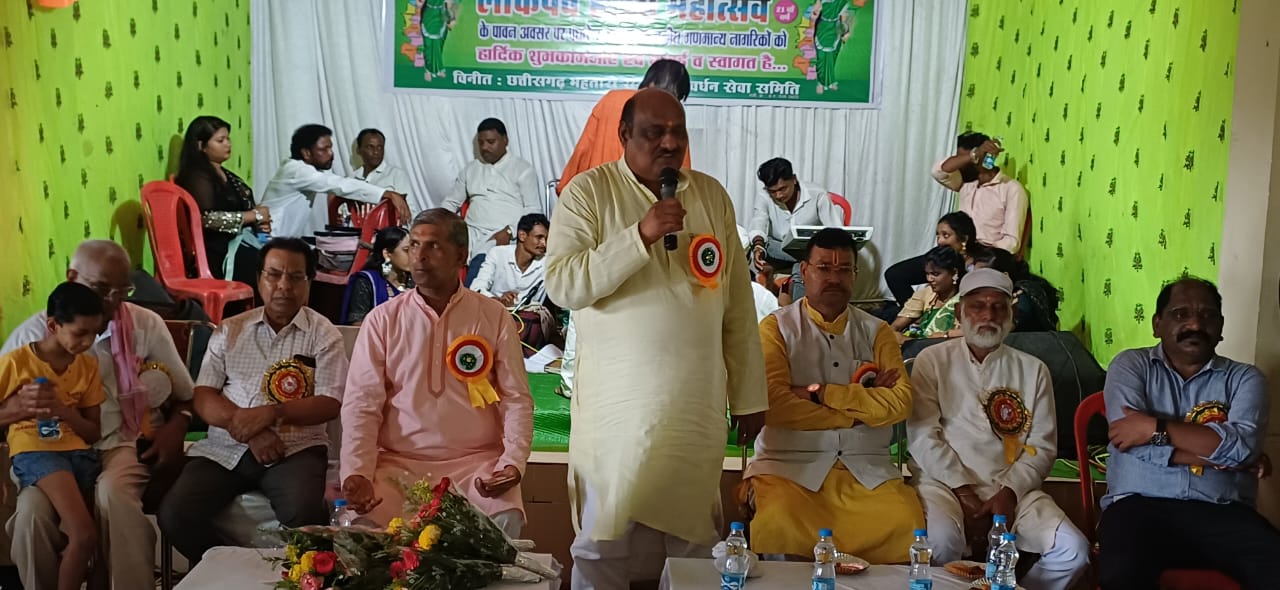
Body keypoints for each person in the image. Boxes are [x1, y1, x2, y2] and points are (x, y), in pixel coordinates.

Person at [546, 88, 768, 590]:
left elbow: (736, 307)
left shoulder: (710, 195)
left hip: (694, 406)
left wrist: (749, 396)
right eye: (654, 132)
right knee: (603, 541)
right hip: (617, 411)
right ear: (625, 134)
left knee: (694, 541)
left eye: (677, 132)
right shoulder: (588, 192)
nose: (670, 143)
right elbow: (563, 284)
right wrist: (639, 235)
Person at [0, 240, 195, 590]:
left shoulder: (144, 324)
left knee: (113, 495)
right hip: (50, 450)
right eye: (102, 288)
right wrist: (18, 409)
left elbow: (186, 395)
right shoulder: (30, 338)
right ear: (71, 276)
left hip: (122, 442)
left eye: (123, 290)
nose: (112, 301)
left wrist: (177, 427)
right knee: (31, 516)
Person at [340, 209, 533, 537]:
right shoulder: (382, 320)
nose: (419, 256)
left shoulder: (493, 316)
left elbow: (516, 400)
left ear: (461, 255)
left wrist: (512, 463)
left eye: (433, 246)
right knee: (362, 529)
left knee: (504, 518)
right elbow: (361, 403)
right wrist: (356, 470)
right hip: (397, 465)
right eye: (414, 245)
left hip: (475, 466)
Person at [157, 238, 348, 564]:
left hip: (296, 449)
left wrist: (272, 413)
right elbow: (204, 395)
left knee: (305, 516)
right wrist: (251, 430)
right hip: (225, 447)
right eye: (274, 275)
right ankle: (231, 573)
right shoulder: (229, 330)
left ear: (309, 283)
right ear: (259, 278)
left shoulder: (324, 334)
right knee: (175, 513)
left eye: (295, 277)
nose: (283, 286)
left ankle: (297, 580)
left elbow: (330, 401)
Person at [742, 228, 921, 562]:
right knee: (779, 520)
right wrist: (862, 409)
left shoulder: (878, 331)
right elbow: (775, 406)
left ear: (855, 275)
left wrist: (820, 393)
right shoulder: (776, 328)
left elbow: (899, 404)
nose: (834, 278)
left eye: (843, 270)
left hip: (866, 468)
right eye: (824, 268)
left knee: (905, 521)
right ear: (804, 271)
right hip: (789, 466)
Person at [906, 268, 1089, 590]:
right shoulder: (932, 360)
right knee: (942, 540)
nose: (988, 316)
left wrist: (1009, 492)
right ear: (960, 312)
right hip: (943, 483)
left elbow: (1042, 446)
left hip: (1013, 488)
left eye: (998, 307)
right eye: (977, 306)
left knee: (1073, 550)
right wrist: (964, 492)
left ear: (1011, 315)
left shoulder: (1033, 370)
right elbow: (923, 437)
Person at [1099, 278, 1279, 590]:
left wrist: (1155, 428)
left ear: (1221, 327)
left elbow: (1243, 447)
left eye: (1207, 315)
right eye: (1180, 314)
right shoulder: (1131, 366)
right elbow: (1131, 444)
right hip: (1139, 507)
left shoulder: (1245, 378)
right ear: (1157, 324)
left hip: (1223, 512)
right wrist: (1228, 457)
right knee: (1121, 572)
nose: (1195, 324)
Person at [0, 283, 106, 590]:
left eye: (94, 333)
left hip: (80, 455)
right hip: (38, 452)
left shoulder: (88, 366)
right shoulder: (16, 363)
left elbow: (93, 431)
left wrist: (64, 411)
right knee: (83, 534)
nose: (88, 342)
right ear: (52, 325)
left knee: (90, 540)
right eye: (80, 333)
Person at [558, 59, 693, 194]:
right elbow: (681, 176)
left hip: (597, 193)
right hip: (644, 200)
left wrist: (566, 188)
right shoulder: (671, 120)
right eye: (677, 96)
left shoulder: (610, 100)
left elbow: (583, 151)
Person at [258, 124, 411, 239]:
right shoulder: (297, 171)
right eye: (323, 149)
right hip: (267, 240)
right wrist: (386, 193)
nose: (331, 154)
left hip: (280, 242)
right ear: (306, 153)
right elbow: (339, 185)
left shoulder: (308, 171)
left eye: (330, 148)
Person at [440, 118, 541, 279]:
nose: (484, 147)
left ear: (505, 140)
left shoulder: (522, 169)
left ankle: (471, 293)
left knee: (483, 260)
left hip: (503, 234)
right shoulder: (471, 169)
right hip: (471, 233)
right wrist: (434, 223)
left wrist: (509, 231)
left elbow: (533, 210)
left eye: (491, 142)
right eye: (481, 143)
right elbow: (451, 203)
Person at [175, 115, 269, 286]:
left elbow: (247, 208)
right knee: (267, 264)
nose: (228, 144)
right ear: (201, 145)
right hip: (215, 250)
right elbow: (206, 219)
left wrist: (259, 223)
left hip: (237, 242)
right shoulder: (196, 176)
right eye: (220, 140)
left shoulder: (228, 176)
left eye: (228, 139)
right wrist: (253, 216)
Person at [747, 157, 844, 300]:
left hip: (809, 249)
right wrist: (758, 246)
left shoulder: (817, 194)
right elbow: (759, 222)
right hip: (778, 250)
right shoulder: (764, 196)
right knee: (759, 245)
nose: (778, 195)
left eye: (783, 189)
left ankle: (798, 309)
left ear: (794, 179)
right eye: (773, 191)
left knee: (801, 267)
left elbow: (835, 229)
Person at [969, 247, 1061, 332]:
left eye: (983, 277)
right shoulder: (1006, 296)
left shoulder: (1023, 298)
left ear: (1004, 276)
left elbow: (998, 330)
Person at [471, 213, 549, 308]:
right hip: (492, 310)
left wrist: (512, 302)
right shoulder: (497, 253)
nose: (544, 243)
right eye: (539, 237)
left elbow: (537, 303)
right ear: (522, 235)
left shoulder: (547, 263)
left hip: (526, 315)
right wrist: (498, 301)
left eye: (546, 239)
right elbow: (477, 288)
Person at [341, 226, 414, 325]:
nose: (412, 255)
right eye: (406, 250)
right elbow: (358, 325)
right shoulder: (367, 282)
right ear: (387, 253)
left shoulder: (416, 282)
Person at [891, 245, 965, 342]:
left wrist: (945, 335)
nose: (929, 279)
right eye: (927, 274)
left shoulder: (968, 298)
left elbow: (973, 332)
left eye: (935, 274)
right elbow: (895, 327)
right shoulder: (925, 294)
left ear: (954, 272)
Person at [350, 128, 421, 215]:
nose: (376, 152)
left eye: (380, 147)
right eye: (370, 147)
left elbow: (410, 212)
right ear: (359, 150)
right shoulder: (351, 179)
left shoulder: (396, 175)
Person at [811, 0, 866, 94]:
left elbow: (843, 18)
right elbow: (814, 14)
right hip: (822, 29)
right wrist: (815, 13)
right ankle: (820, 83)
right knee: (821, 58)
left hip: (835, 29)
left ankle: (831, 81)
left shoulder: (841, 2)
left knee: (832, 58)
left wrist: (845, 30)